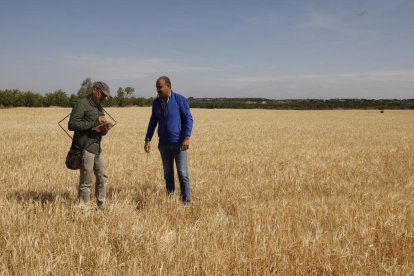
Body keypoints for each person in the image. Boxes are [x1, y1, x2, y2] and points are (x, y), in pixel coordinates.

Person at [144, 76, 194, 204]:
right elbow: (153, 122)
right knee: (168, 174)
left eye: (160, 87)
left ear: (168, 86)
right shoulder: (156, 103)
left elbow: (188, 119)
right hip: (164, 145)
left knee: (182, 173)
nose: (158, 90)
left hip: (179, 144)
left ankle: (186, 202)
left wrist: (187, 137)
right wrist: (148, 139)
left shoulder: (179, 100)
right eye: (157, 88)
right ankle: (170, 200)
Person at [68, 81, 112, 209]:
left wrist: (104, 129)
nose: (104, 98)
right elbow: (72, 125)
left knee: (103, 176)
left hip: (97, 147)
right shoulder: (81, 104)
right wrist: (94, 122)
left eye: (105, 96)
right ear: (94, 90)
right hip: (85, 147)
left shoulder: (99, 106)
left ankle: (101, 204)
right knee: (86, 180)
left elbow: (98, 128)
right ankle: (83, 208)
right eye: (102, 95)